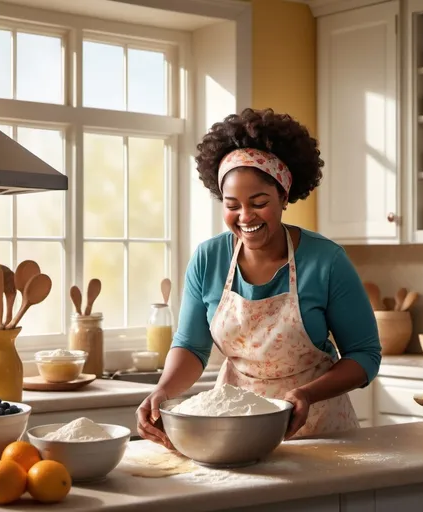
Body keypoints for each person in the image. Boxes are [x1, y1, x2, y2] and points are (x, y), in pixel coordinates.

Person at [137, 108, 381, 448]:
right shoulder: (209, 259)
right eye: (232, 204)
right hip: (236, 428)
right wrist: (163, 390)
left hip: (319, 430)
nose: (245, 216)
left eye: (259, 202)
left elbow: (365, 355)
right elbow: (192, 347)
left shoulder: (326, 260)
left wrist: (307, 395)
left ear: (283, 196)